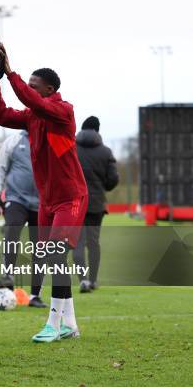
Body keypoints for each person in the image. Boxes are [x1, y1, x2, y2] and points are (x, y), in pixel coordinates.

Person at [0, 44, 88, 343]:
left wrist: (11, 74)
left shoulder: (62, 111)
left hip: (71, 198)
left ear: (50, 89)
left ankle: (53, 325)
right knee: (49, 258)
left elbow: (30, 100)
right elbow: (2, 115)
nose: (29, 90)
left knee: (56, 256)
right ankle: (70, 324)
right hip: (48, 201)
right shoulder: (33, 116)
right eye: (27, 85)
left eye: (34, 86)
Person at [0, 130, 47, 308]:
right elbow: (0, 167)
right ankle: (8, 280)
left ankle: (35, 295)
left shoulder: (50, 141)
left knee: (40, 247)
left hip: (42, 202)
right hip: (16, 199)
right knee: (11, 236)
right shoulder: (13, 141)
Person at [73, 116, 119, 292]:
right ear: (97, 131)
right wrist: (103, 187)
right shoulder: (106, 152)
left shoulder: (72, 149)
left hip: (75, 203)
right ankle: (92, 280)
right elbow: (113, 178)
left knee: (77, 243)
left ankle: (83, 280)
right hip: (96, 203)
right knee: (93, 243)